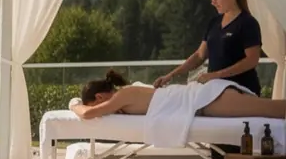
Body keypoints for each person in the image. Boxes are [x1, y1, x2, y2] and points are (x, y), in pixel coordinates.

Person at [154, 0, 264, 159]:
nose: (213, 2)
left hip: (241, 91)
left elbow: (252, 60)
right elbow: (198, 56)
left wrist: (217, 76)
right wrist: (171, 75)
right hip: (214, 93)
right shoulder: (214, 23)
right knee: (217, 144)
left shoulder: (248, 23)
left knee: (237, 144)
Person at [72, 69, 285, 121]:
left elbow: (87, 115)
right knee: (271, 108)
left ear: (99, 98)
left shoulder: (122, 95)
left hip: (205, 100)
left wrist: (75, 104)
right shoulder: (125, 95)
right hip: (202, 100)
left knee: (273, 109)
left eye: (93, 104)